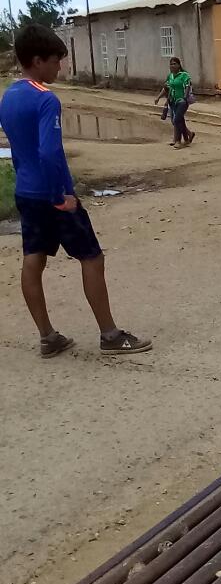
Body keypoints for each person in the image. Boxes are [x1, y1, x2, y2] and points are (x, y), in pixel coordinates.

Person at [0, 25, 152, 357]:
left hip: (25, 193)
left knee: (33, 260)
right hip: (52, 196)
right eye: (56, 61)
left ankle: (47, 337)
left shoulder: (8, 97)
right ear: (38, 61)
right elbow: (50, 152)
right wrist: (61, 197)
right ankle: (110, 335)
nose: (59, 67)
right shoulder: (45, 99)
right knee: (91, 257)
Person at [154, 57, 195, 147]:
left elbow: (188, 86)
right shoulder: (170, 76)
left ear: (179, 65)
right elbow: (166, 88)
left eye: (174, 64)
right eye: (171, 64)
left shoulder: (184, 75)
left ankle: (178, 141)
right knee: (178, 120)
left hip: (182, 101)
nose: (172, 66)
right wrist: (158, 97)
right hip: (172, 101)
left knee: (176, 119)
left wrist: (184, 97)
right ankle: (188, 135)